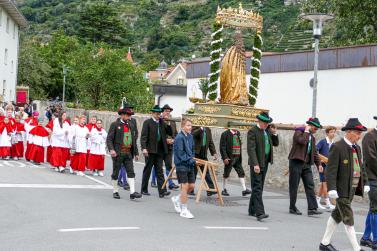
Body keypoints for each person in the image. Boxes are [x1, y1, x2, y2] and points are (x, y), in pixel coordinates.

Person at [319, 118, 369, 251]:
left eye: (360, 133)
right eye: (358, 133)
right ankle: (356, 248)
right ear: (349, 132)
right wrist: (332, 188)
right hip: (341, 190)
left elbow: (360, 167)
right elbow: (331, 170)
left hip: (351, 189)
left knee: (337, 215)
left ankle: (324, 243)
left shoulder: (356, 148)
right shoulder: (337, 146)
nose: (359, 136)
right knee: (348, 218)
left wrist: (365, 182)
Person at [247, 112, 279, 221]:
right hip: (256, 163)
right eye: (265, 123)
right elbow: (251, 149)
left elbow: (275, 143)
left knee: (258, 186)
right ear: (259, 121)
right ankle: (259, 213)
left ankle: (251, 209)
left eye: (267, 123)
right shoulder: (252, 131)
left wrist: (274, 133)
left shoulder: (267, 131)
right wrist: (255, 164)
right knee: (257, 187)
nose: (266, 125)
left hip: (265, 162)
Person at [288, 117, 323, 216]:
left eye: (317, 129)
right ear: (310, 126)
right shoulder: (298, 132)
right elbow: (302, 141)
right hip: (296, 162)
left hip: (306, 164)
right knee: (294, 185)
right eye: (315, 128)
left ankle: (312, 208)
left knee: (310, 185)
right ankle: (292, 207)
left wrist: (319, 164)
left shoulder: (312, 138)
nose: (316, 130)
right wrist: (306, 131)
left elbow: (315, 153)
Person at [106, 107, 142, 200]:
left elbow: (133, 140)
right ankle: (115, 191)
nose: (129, 117)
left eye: (130, 115)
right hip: (118, 152)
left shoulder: (131, 125)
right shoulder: (115, 124)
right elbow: (109, 138)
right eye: (127, 115)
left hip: (128, 153)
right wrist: (111, 149)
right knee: (116, 172)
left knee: (131, 172)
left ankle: (132, 192)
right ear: (122, 115)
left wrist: (136, 152)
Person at [140, 105, 171, 198]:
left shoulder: (162, 122)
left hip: (160, 150)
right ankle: (144, 189)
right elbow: (143, 137)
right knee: (147, 170)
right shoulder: (147, 122)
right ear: (152, 113)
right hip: (150, 150)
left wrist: (167, 122)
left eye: (159, 113)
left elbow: (169, 132)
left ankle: (162, 191)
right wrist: (144, 148)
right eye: (157, 113)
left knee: (160, 171)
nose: (158, 115)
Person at [171, 118, 196, 219]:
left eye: (191, 125)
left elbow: (193, 150)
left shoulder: (190, 136)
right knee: (185, 187)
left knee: (192, 186)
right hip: (181, 165)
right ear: (182, 126)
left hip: (190, 164)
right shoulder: (179, 138)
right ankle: (184, 210)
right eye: (188, 125)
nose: (190, 127)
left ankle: (177, 199)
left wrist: (193, 159)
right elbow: (181, 154)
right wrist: (192, 160)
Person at [151, 104, 179, 190]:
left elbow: (175, 133)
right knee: (157, 164)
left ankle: (170, 183)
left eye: (169, 111)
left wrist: (174, 140)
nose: (168, 112)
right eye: (166, 111)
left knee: (168, 165)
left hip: (170, 147)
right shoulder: (159, 121)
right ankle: (153, 181)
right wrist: (165, 140)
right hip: (160, 146)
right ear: (162, 112)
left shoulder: (172, 121)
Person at [360, 116, 377, 250]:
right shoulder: (369, 137)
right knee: (375, 209)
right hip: (372, 177)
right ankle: (375, 241)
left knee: (374, 207)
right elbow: (371, 159)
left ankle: (365, 238)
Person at [220, 127, 251, 196]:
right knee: (226, 173)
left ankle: (244, 189)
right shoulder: (225, 134)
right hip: (229, 157)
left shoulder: (238, 133)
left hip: (237, 157)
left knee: (241, 172)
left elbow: (240, 143)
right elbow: (222, 147)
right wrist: (225, 157)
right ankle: (224, 189)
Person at [191, 126, 218, 196]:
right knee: (193, 172)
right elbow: (193, 134)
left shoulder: (208, 129)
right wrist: (201, 128)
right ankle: (190, 189)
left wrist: (214, 153)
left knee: (206, 172)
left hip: (203, 153)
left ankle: (210, 189)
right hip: (195, 153)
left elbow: (210, 142)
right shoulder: (195, 127)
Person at [316, 126, 337, 210]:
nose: (333, 133)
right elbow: (315, 151)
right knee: (325, 183)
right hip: (322, 166)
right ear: (327, 133)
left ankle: (316, 201)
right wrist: (322, 160)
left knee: (322, 184)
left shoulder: (333, 143)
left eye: (334, 132)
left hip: (330, 166)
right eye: (331, 132)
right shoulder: (323, 142)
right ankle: (328, 203)